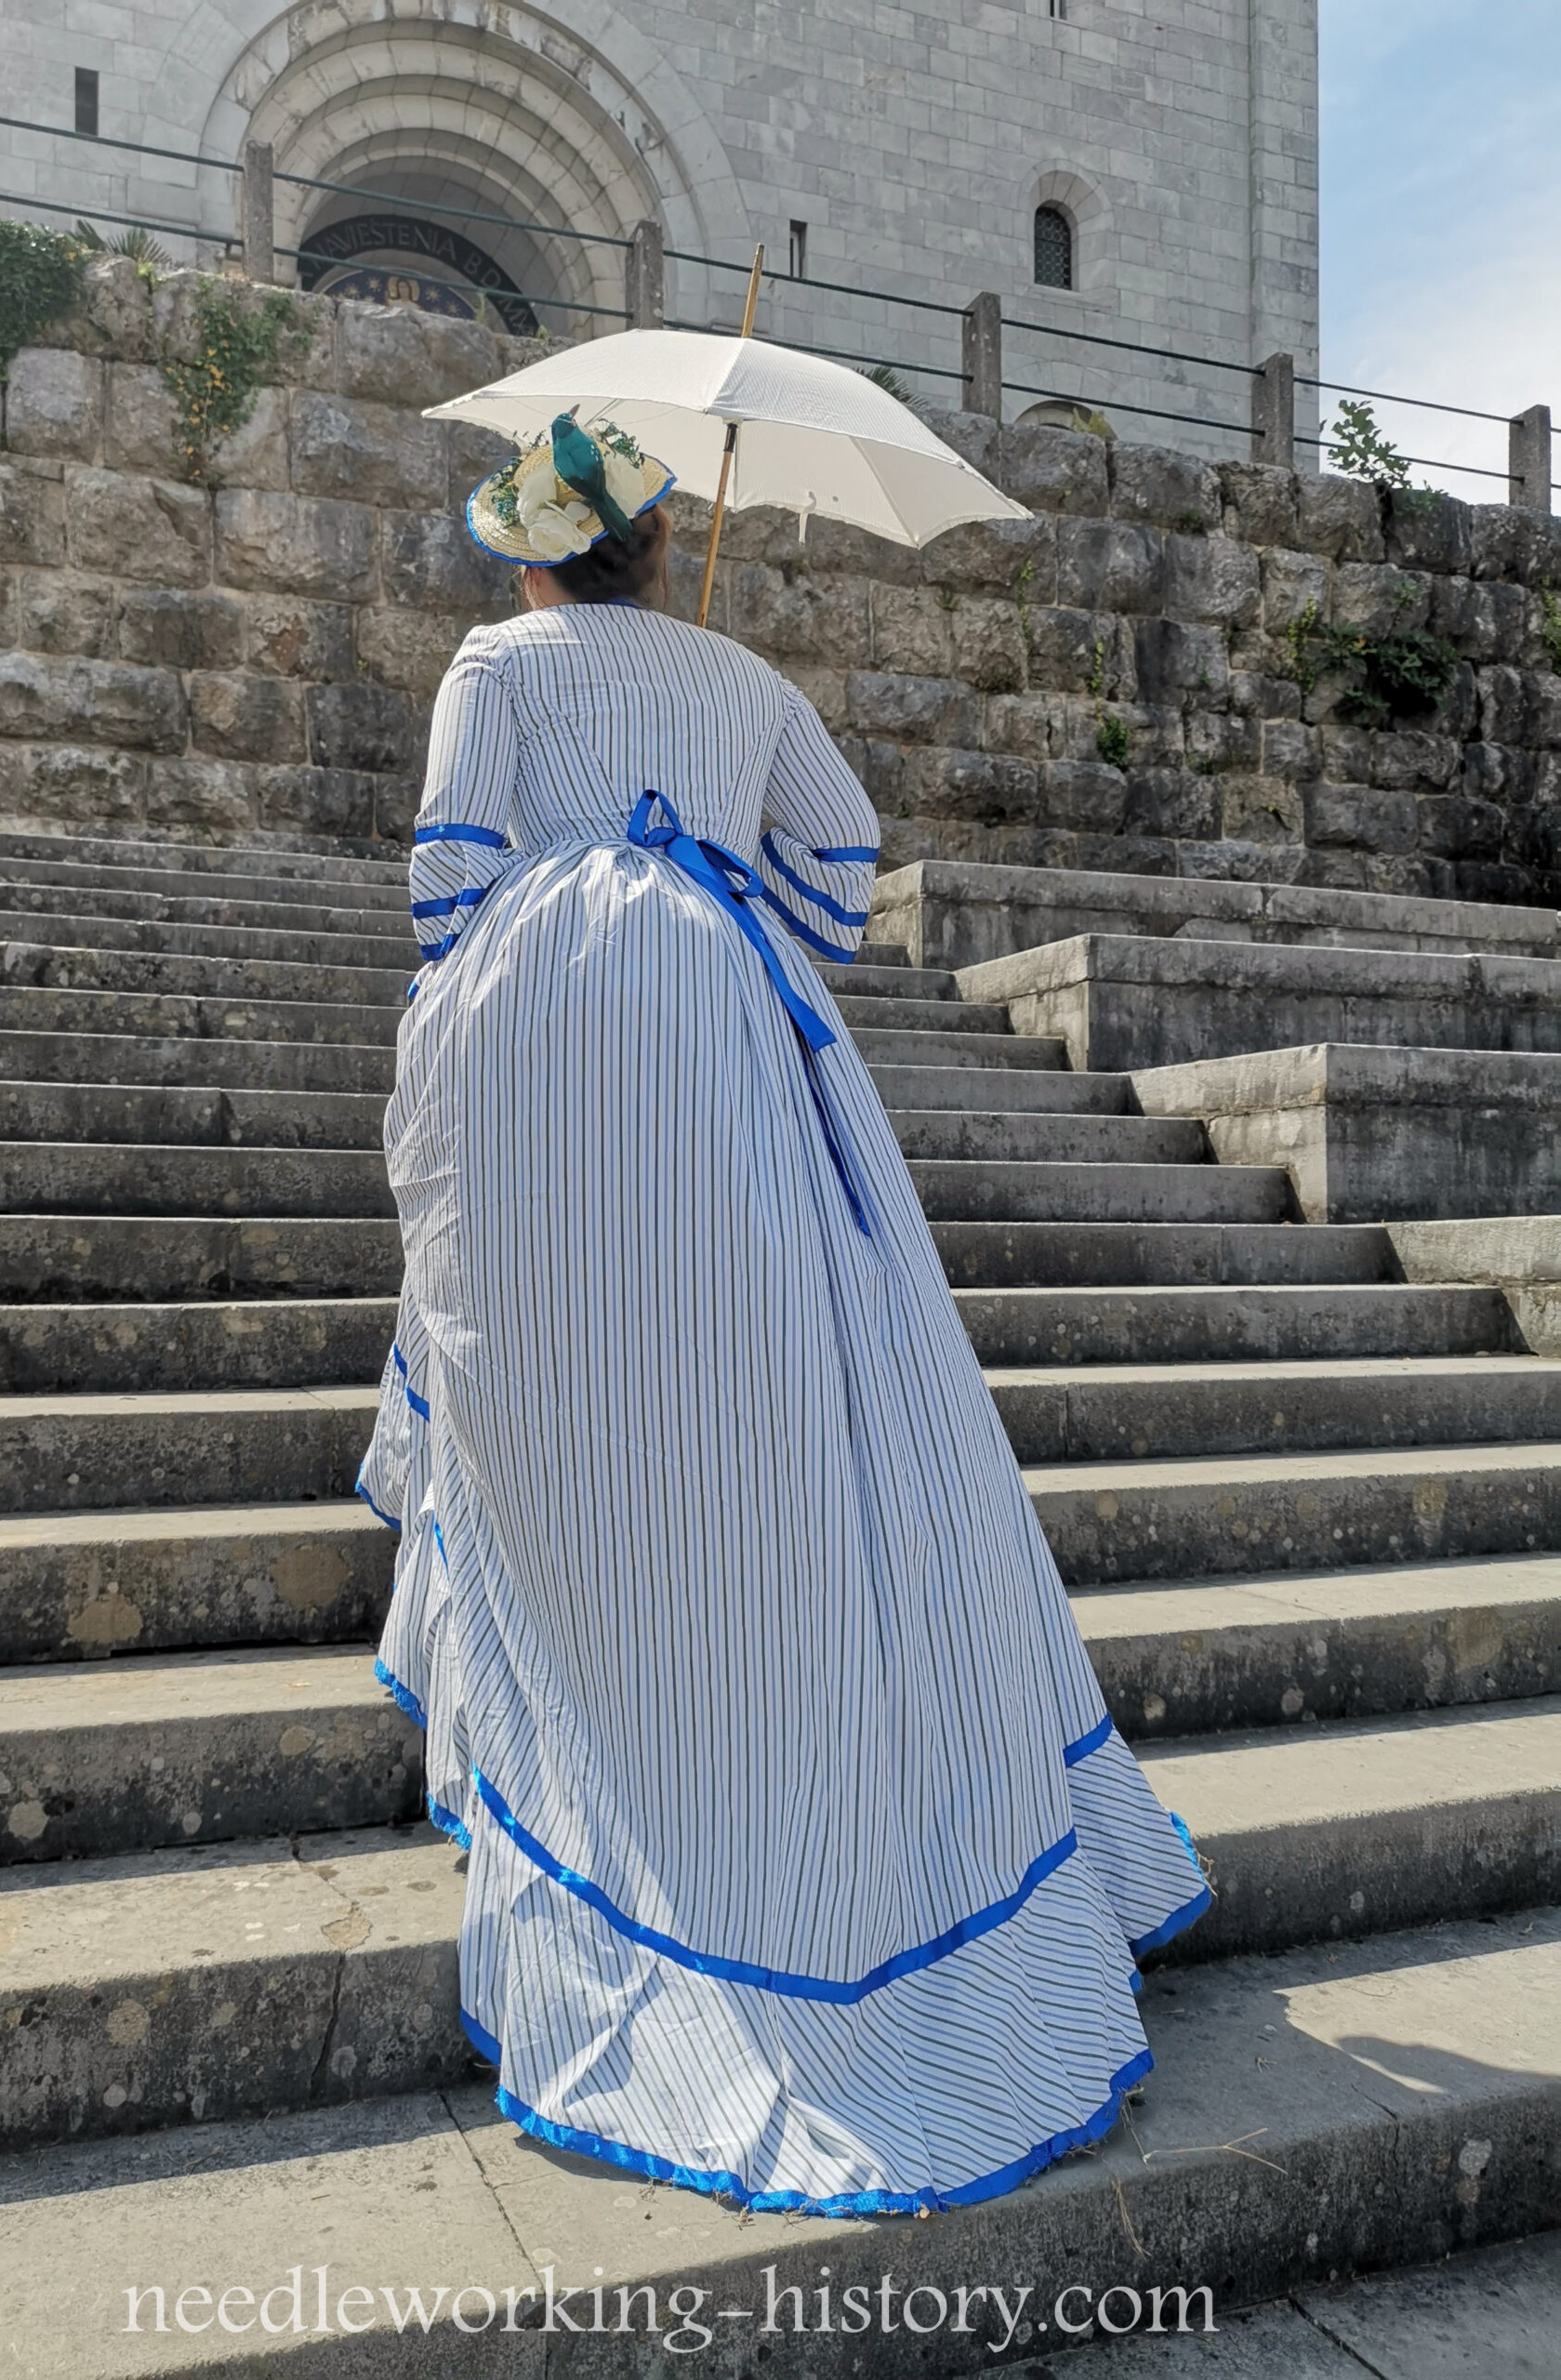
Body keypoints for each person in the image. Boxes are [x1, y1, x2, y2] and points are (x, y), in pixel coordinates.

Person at [359, 419, 1208, 2215]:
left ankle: (619, 1728)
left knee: (566, 1388)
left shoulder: (493, 663)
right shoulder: (741, 675)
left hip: (536, 1042)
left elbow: (444, 887)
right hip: (728, 1037)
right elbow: (835, 877)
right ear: (663, 550)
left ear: (533, 559)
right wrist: (701, 863)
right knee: (780, 1380)